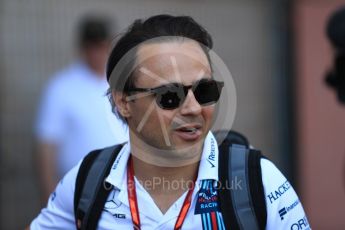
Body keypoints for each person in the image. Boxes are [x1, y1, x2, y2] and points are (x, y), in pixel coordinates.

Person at [29, 14, 309, 229]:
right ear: (124, 102)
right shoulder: (87, 180)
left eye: (204, 91)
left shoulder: (259, 182)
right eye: (170, 95)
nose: (193, 108)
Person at [34, 15, 128, 203]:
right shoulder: (61, 87)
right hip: (77, 192)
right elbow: (46, 145)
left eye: (101, 46)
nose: (97, 54)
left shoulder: (123, 82)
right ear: (82, 49)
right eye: (91, 47)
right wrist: (49, 197)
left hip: (124, 189)